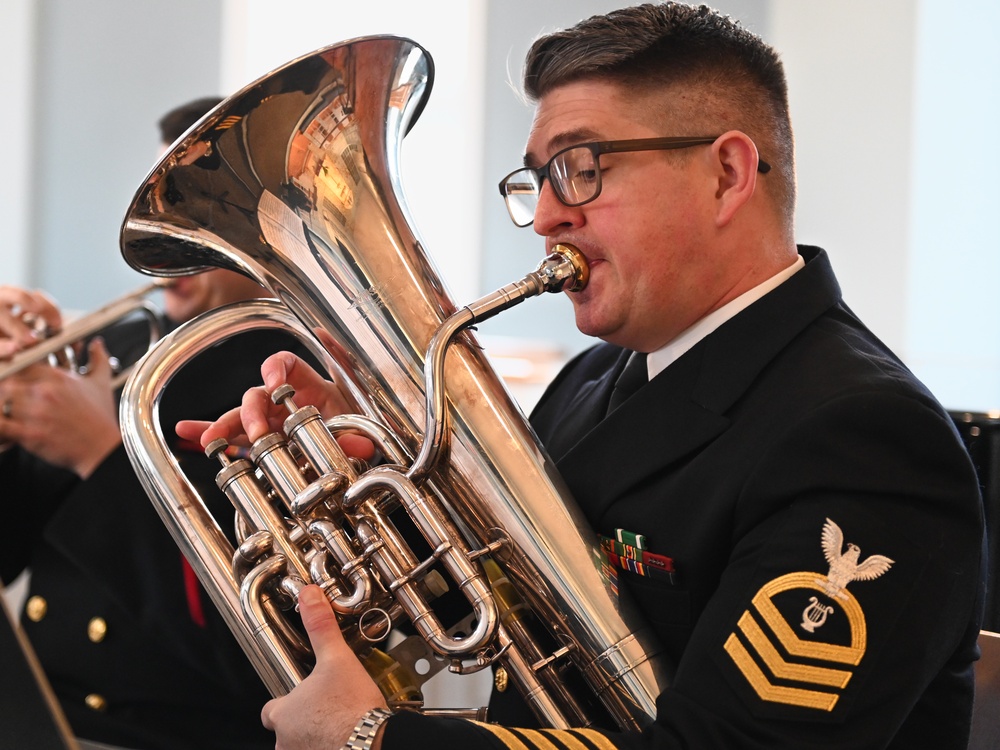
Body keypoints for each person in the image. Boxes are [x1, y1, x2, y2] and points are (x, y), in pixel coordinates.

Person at [180, 3, 987, 749]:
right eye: (538, 179)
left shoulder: (862, 437)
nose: (548, 216)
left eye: (582, 168)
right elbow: (495, 644)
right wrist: (386, 492)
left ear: (728, 176)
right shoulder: (597, 380)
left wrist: (374, 740)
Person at [0, 97, 283, 750]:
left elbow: (254, 649)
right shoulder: (130, 347)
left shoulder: (303, 384)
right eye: (154, 207)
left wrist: (100, 456)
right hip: (45, 716)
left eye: (191, 209)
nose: (159, 239)